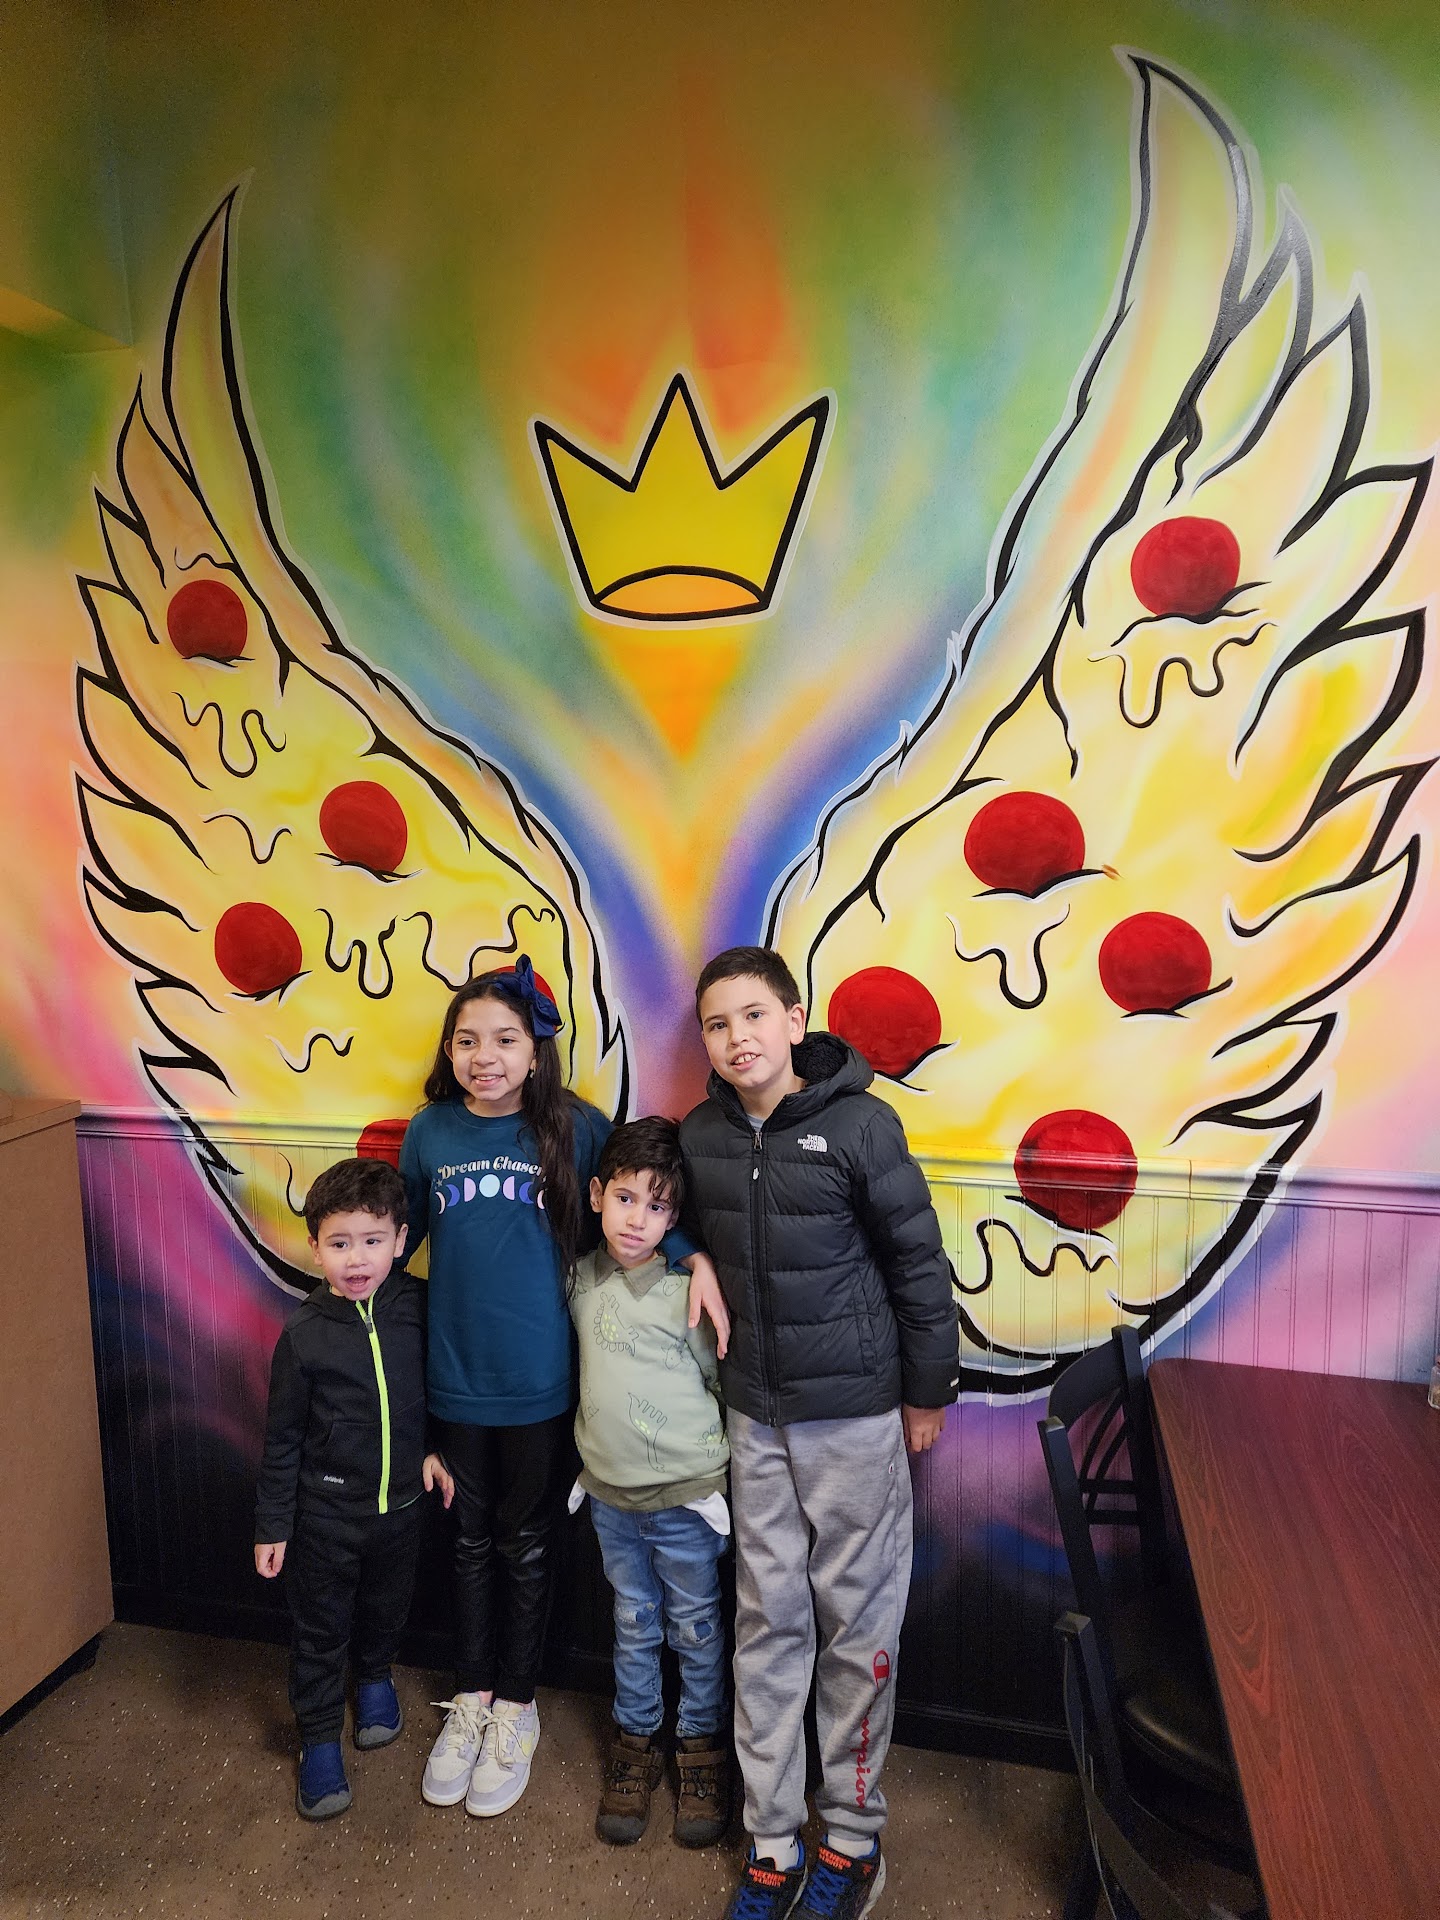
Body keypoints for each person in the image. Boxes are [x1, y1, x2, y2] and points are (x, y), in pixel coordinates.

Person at [400, 957, 723, 1818]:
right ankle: (472, 1695)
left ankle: (517, 1702)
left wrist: (694, 1257)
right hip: (455, 1378)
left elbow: (642, 1204)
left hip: (544, 1384)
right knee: (468, 1543)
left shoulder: (574, 1129)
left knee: (526, 1544)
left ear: (536, 1049)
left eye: (505, 1039)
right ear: (448, 1050)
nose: (485, 1056)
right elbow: (398, 1244)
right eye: (467, 1040)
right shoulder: (429, 1133)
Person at [681, 945, 960, 1920]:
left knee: (857, 1629)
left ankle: (850, 1839)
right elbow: (662, 1212)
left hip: (855, 1420)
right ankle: (771, 1841)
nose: (738, 1038)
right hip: (754, 1418)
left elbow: (919, 1266)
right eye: (717, 1024)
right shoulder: (701, 1134)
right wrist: (688, 1255)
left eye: (754, 1015)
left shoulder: (861, 1125)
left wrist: (926, 1391)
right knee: (767, 1626)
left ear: (795, 1021)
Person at [255, 1156, 454, 1821]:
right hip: (324, 1521)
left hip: (402, 1510)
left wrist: (435, 1449)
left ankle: (374, 1677)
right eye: (339, 1243)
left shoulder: (418, 1306)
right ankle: (317, 1739)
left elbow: (440, 1390)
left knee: (386, 1608)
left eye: (372, 1240)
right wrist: (273, 1525)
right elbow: (282, 1439)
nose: (357, 1258)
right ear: (315, 1247)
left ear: (401, 1240)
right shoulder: (304, 1335)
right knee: (319, 1630)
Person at [569, 1116, 731, 1849]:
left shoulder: (684, 1291)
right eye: (625, 1198)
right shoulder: (578, 1280)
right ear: (597, 1195)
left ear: (674, 1218)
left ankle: (700, 1751)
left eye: (657, 1206)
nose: (637, 1219)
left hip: (687, 1499)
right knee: (633, 1624)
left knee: (696, 1627)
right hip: (609, 1496)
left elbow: (716, 1379)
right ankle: (635, 1744)